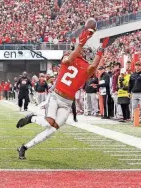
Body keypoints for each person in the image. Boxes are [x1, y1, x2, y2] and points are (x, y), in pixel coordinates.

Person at [15, 29, 109, 160]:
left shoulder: (86, 66)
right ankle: (32, 118)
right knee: (49, 122)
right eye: (83, 49)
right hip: (56, 96)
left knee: (52, 129)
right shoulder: (68, 56)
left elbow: (93, 67)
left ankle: (24, 147)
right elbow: (70, 58)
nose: (85, 52)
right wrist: (81, 43)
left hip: (67, 103)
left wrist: (101, 51)